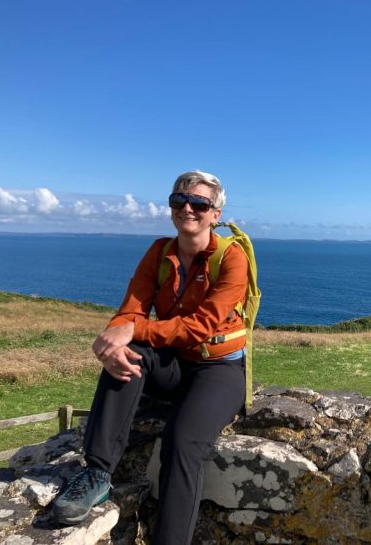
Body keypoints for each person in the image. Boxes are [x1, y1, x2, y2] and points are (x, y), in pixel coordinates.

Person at [51, 171, 249, 544]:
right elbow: (131, 309)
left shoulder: (232, 259)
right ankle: (96, 474)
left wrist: (134, 330)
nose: (187, 208)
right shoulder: (159, 252)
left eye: (199, 204)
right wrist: (114, 342)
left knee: (182, 442)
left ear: (215, 214)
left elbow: (200, 327)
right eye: (179, 200)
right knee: (127, 349)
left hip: (219, 369)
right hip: (174, 364)